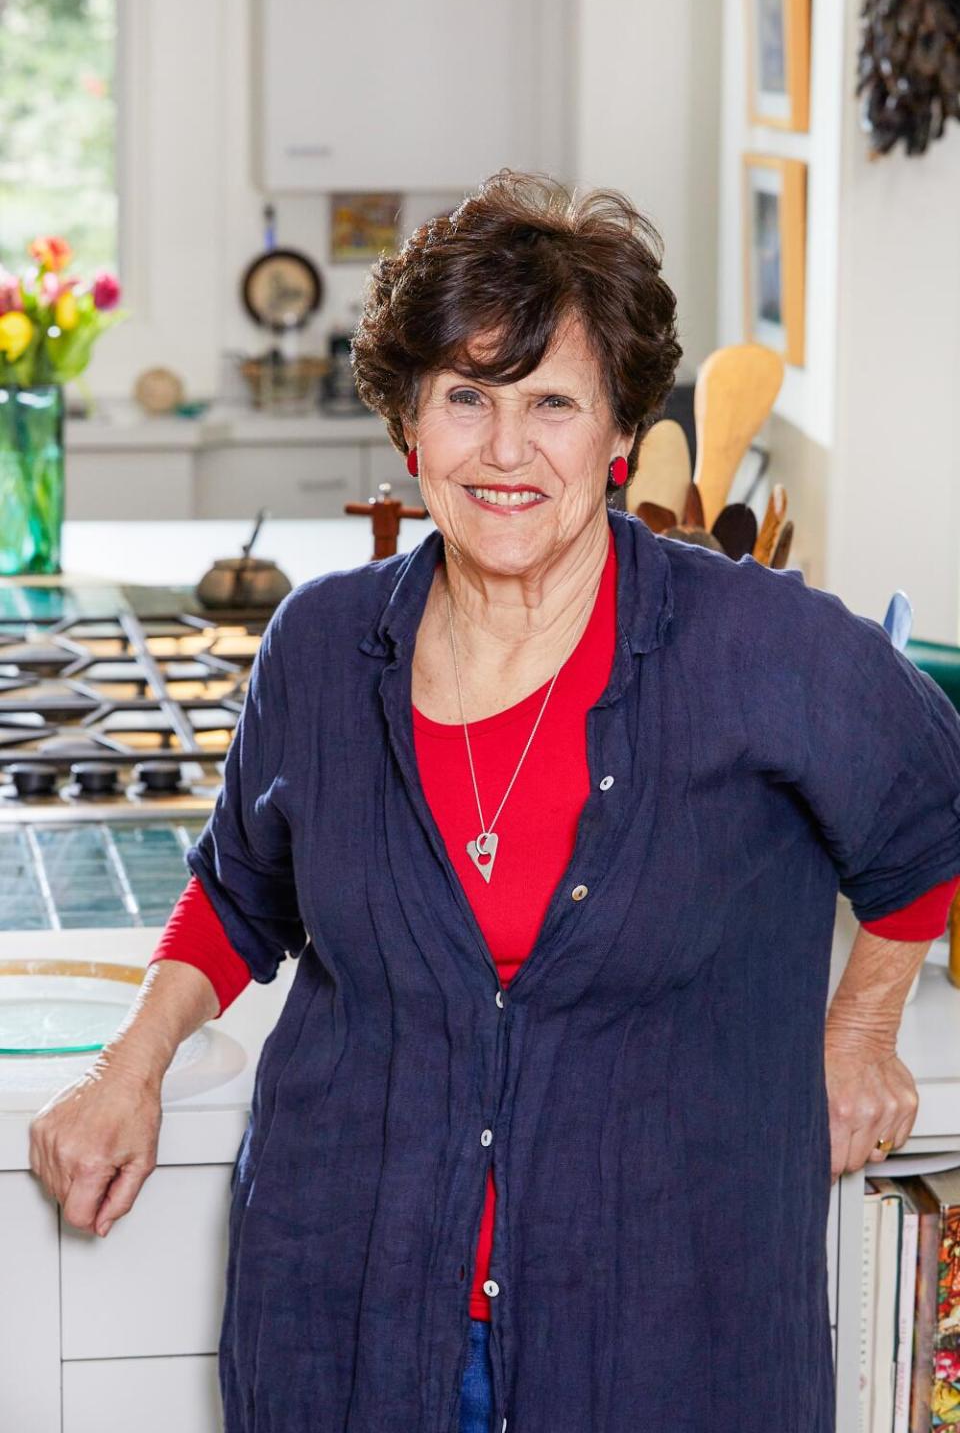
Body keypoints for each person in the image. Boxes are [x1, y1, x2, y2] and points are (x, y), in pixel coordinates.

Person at [29, 171, 960, 1433]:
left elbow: (930, 808)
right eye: (466, 397)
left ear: (619, 433)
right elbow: (240, 891)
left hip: (664, 1331)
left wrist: (859, 1034)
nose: (505, 448)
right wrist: (125, 1067)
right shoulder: (320, 644)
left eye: (552, 403)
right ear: (409, 425)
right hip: (353, 1312)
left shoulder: (756, 645)